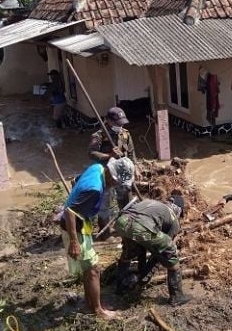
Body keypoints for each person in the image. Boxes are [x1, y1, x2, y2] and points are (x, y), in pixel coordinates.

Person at [58, 158, 133, 319]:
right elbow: (70, 212)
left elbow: (77, 181)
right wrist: (74, 242)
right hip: (76, 229)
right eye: (117, 182)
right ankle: (98, 311)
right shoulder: (95, 189)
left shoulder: (97, 167)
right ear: (112, 176)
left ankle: (88, 305)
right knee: (94, 270)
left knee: (89, 268)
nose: (116, 186)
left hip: (81, 223)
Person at [113, 195, 192, 306]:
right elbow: (161, 253)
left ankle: (120, 287)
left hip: (122, 222)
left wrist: (142, 270)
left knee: (129, 253)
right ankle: (177, 296)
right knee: (172, 257)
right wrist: (145, 277)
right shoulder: (173, 219)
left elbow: (142, 247)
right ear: (178, 209)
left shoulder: (152, 202)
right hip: (140, 228)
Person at [88, 107, 137, 232]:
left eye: (121, 124)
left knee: (126, 200)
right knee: (106, 202)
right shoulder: (99, 136)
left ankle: (126, 226)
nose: (119, 126)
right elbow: (91, 153)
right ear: (108, 121)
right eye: (116, 124)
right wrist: (109, 155)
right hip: (107, 174)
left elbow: (131, 153)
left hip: (123, 173)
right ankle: (105, 230)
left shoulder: (125, 134)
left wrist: (135, 168)